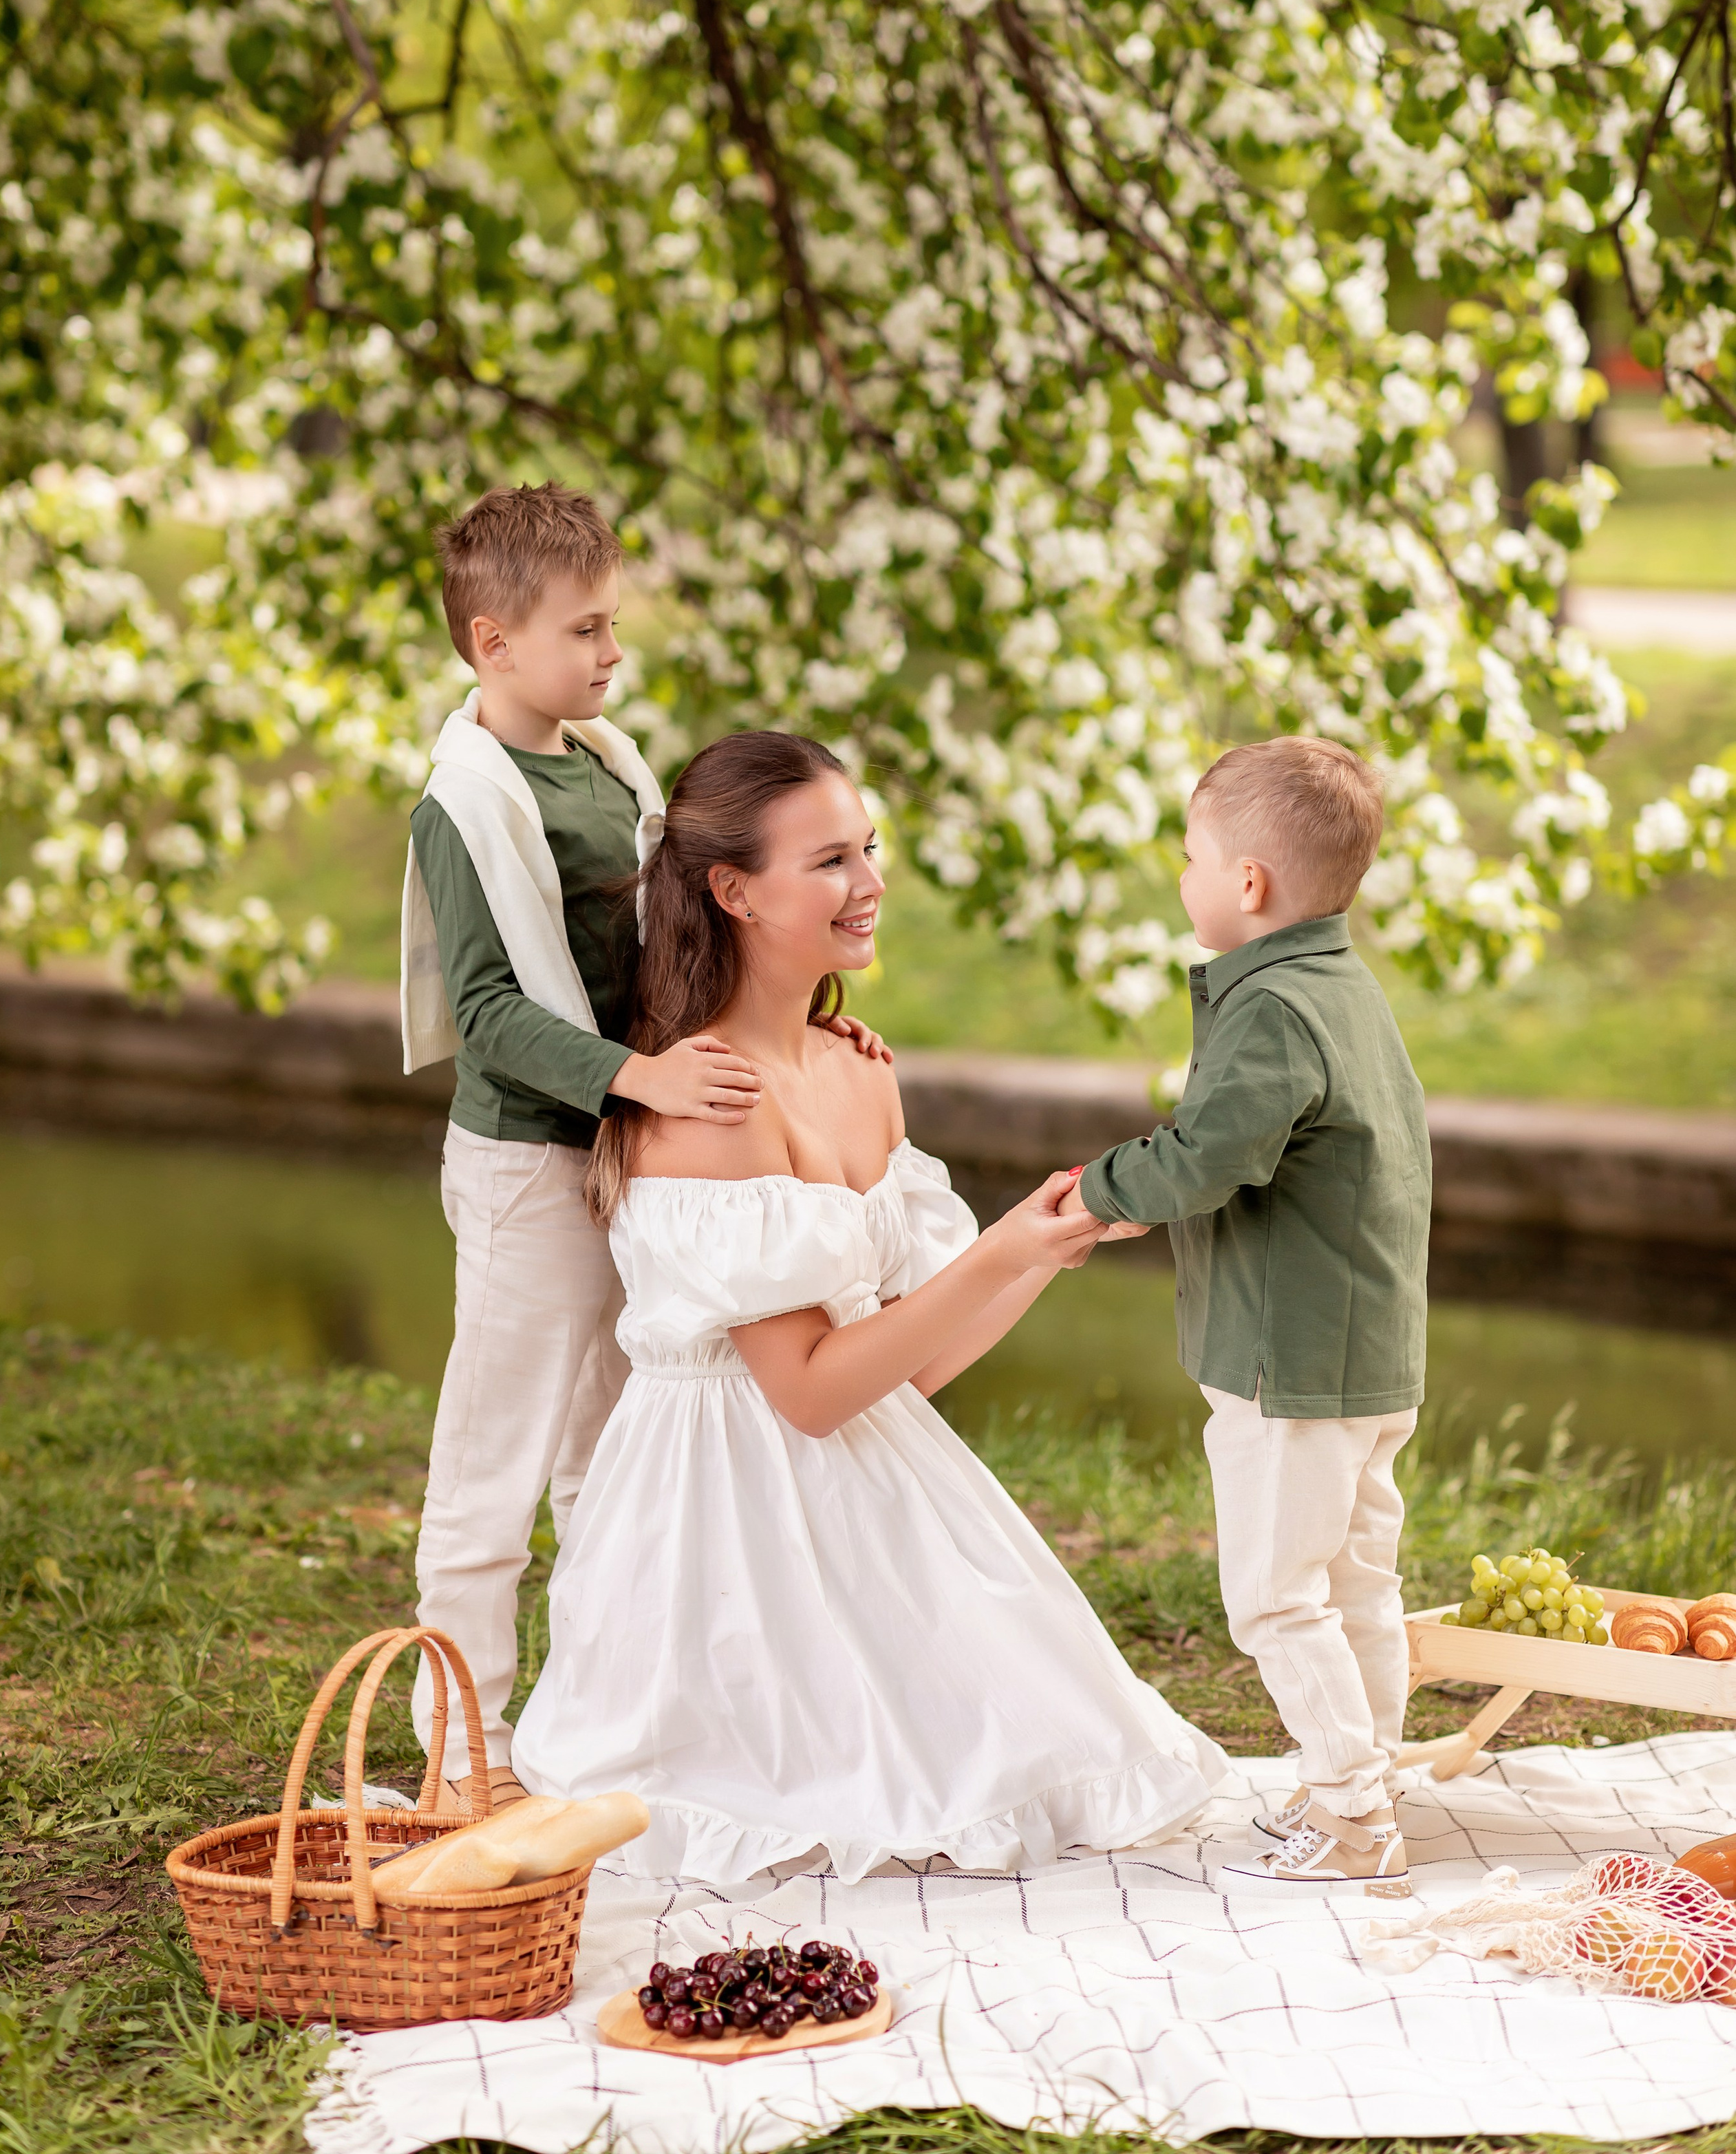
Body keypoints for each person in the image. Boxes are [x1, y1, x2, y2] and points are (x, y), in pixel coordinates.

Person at [509, 729, 1229, 1879]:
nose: (872, 885)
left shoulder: (858, 1068)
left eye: (870, 850)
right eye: (832, 861)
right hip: (723, 1512)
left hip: (869, 1464)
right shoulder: (711, 1095)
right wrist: (997, 1253)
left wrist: (1039, 1251)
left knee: (1047, 1741)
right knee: (856, 1777)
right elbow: (802, 1394)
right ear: (734, 891)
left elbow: (909, 1370)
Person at [400, 488, 889, 1811]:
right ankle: (460, 1751)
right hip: (527, 1163)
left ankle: (598, 1719)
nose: (610, 654)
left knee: (609, 1451)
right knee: (493, 1460)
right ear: (493, 642)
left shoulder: (608, 768)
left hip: (625, 1147)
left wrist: (817, 1032)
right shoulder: (467, 801)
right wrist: (641, 1075)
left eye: (614, 625)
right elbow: (492, 1014)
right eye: (584, 630)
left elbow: (688, 935)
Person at [1062, 738, 1430, 1899]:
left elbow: (1211, 1154)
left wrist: (1099, 1194)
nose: (1184, 877)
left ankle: (1357, 1820)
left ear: (1250, 885)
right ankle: (1361, 1787)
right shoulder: (1343, 987)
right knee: (1360, 1581)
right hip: (1371, 1353)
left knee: (1276, 1594)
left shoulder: (1271, 1008)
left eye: (1191, 857)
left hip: (1291, 1361)